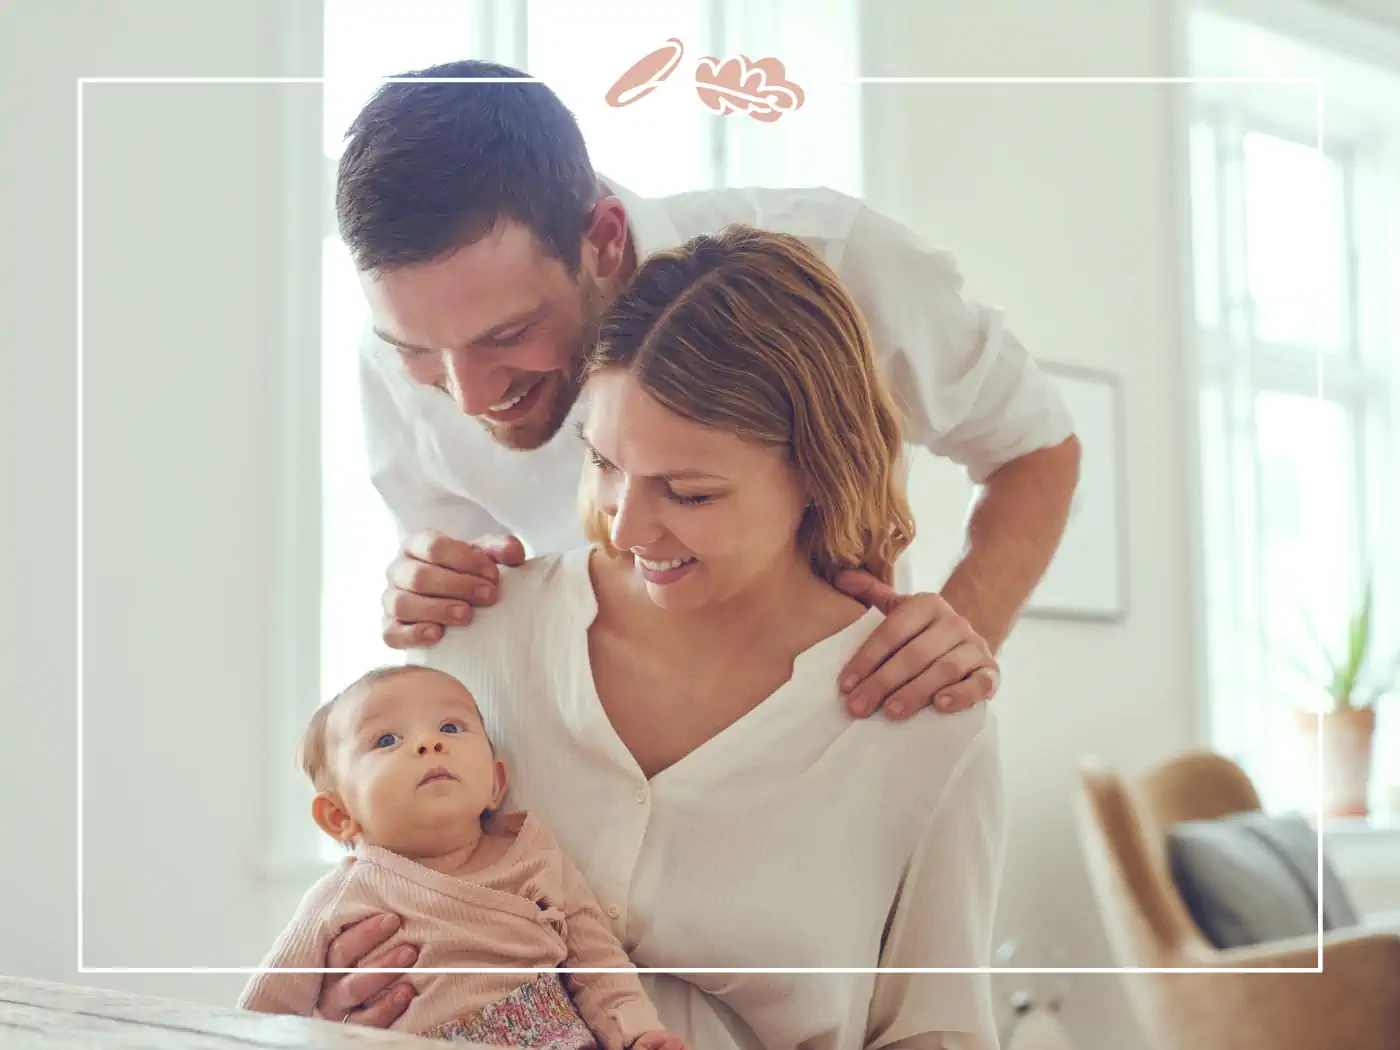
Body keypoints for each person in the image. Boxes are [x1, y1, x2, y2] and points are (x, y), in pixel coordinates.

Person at [312, 226, 1006, 1050]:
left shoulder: (924, 724)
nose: (628, 526)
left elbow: (938, 1034)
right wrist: (333, 1008)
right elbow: (373, 901)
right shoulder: (471, 645)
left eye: (689, 492)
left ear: (819, 473)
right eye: (604, 463)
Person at [342, 60, 1081, 722]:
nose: (467, 397)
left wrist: (955, 639)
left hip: (830, 745)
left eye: (506, 335)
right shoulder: (396, 369)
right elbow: (470, 592)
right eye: (416, 349)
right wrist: (430, 582)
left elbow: (1035, 448)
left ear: (600, 239)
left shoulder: (836, 262)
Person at [239, 663, 688, 1050]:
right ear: (339, 815)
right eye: (386, 739)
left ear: (495, 782)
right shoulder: (347, 895)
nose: (428, 743)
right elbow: (261, 1012)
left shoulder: (533, 853)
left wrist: (635, 1032)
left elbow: (596, 959)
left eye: (450, 728)